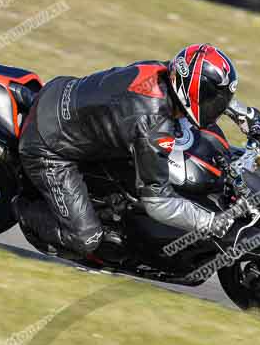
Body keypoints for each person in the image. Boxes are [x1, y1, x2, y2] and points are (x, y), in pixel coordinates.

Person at [15, 44, 246, 259]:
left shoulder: (163, 72)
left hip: (62, 94)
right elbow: (158, 202)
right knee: (86, 239)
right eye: (213, 99)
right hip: (49, 146)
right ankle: (21, 207)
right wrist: (209, 222)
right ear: (194, 93)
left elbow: (198, 87)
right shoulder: (153, 126)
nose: (216, 105)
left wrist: (243, 114)